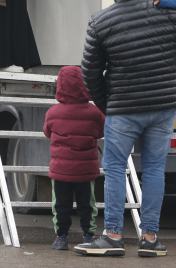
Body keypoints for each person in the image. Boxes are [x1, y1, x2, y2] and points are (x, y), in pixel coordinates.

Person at [76, 0, 176, 258]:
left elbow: (89, 73)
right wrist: (166, 69)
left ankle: (113, 236)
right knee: (156, 168)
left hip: (124, 108)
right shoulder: (168, 10)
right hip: (163, 105)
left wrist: (108, 104)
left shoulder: (101, 21)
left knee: (116, 167)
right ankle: (149, 239)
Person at [44, 65, 104, 251]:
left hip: (60, 170)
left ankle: (61, 238)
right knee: (87, 203)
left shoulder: (52, 113)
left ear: (59, 86)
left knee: (61, 204)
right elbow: (101, 132)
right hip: (85, 170)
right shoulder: (95, 113)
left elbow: (48, 132)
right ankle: (88, 236)